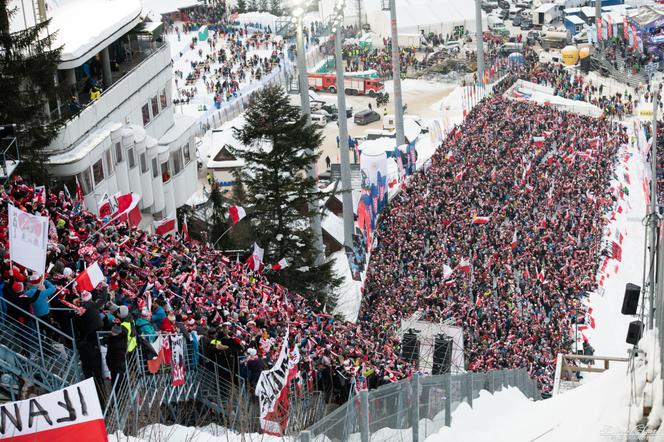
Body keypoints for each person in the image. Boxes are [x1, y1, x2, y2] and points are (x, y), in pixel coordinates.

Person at [106, 324, 128, 393]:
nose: (111, 333)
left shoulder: (117, 341)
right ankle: (119, 399)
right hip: (114, 365)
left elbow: (118, 354)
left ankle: (118, 400)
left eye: (113, 332)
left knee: (117, 384)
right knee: (117, 384)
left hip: (117, 366)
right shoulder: (115, 339)